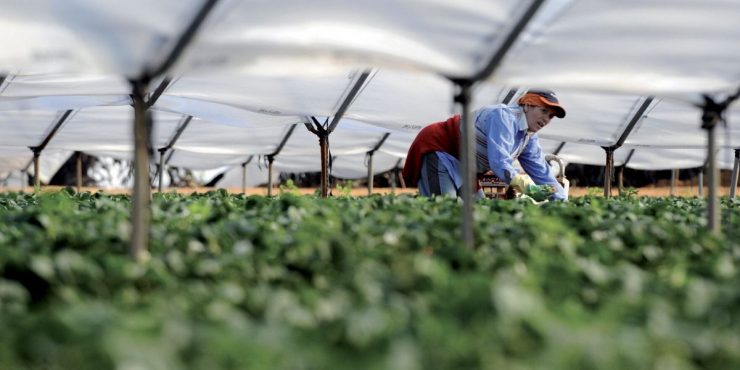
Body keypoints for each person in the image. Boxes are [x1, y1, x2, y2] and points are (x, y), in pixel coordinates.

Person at [402, 88, 567, 201]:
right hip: (442, 150)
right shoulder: (503, 117)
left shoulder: (529, 137)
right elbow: (499, 162)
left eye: (551, 116)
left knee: (479, 212)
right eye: (544, 111)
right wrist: (527, 188)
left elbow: (542, 173)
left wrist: (561, 201)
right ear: (527, 105)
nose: (546, 119)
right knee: (444, 208)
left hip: (467, 167)